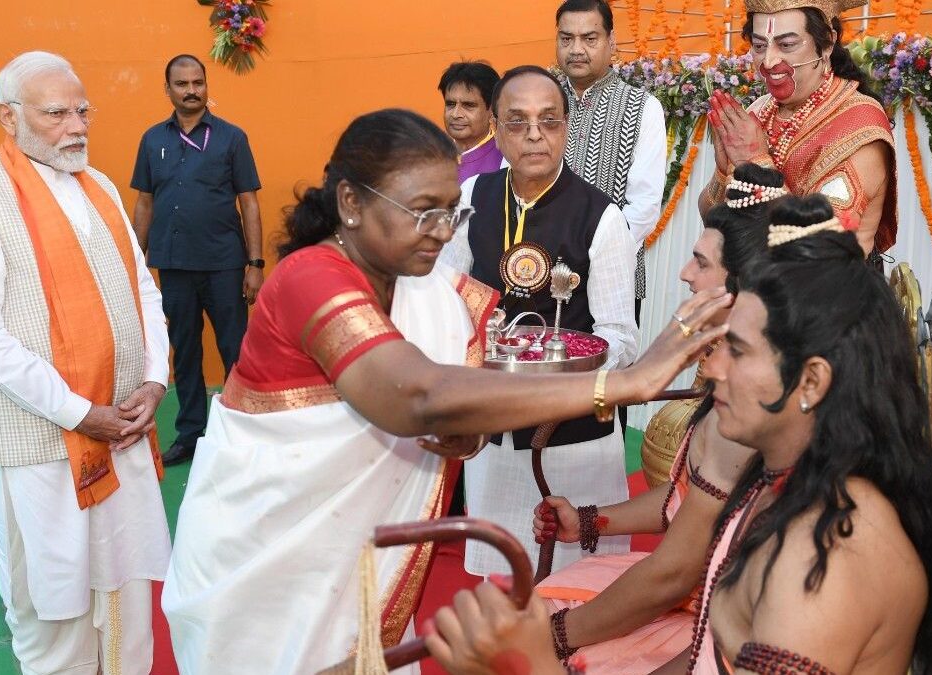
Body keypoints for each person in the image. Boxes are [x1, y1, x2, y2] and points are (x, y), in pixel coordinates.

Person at [161, 108, 730, 675]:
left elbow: (455, 406)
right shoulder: (310, 278)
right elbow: (418, 399)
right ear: (351, 203)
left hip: (361, 558)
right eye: (421, 212)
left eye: (449, 213)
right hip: (271, 553)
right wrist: (623, 384)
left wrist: (467, 431)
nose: (439, 230)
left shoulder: (430, 291)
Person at [422, 195, 932, 675]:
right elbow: (701, 657)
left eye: (735, 350)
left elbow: (680, 589)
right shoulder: (778, 490)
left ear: (811, 381)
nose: (712, 368)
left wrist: (539, 662)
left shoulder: (822, 560)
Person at [0, 51, 172, 673]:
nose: (77, 125)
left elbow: (141, 288)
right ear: (8, 118)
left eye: (82, 109)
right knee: (55, 616)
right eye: (57, 112)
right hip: (42, 448)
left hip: (120, 430)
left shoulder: (100, 187)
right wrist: (79, 412)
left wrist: (154, 378)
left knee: (128, 602)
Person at [531, 164, 783, 674]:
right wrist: (585, 520)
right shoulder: (730, 381)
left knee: (531, 634)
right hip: (689, 595)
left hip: (718, 620)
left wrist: (557, 638)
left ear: (740, 286)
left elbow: (675, 574)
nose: (685, 273)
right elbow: (679, 503)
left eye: (700, 262)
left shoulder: (744, 413)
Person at [439, 65, 639, 577]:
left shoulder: (601, 216)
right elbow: (442, 294)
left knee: (574, 590)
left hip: (573, 438)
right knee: (498, 579)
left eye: (549, 121)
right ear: (497, 129)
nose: (534, 135)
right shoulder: (472, 197)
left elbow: (621, 338)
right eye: (518, 121)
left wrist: (554, 363)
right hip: (496, 432)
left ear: (567, 126)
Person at [130, 53, 263, 466]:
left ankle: (244, 432)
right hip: (174, 267)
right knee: (183, 353)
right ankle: (190, 435)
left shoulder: (232, 138)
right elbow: (145, 202)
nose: (192, 90)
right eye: (182, 84)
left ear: (207, 85)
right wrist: (135, 262)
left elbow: (249, 202)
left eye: (198, 82)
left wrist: (255, 265)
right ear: (167, 89)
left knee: (235, 351)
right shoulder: (153, 140)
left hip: (224, 263)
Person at [698, 0, 896, 265]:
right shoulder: (761, 109)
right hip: (757, 290)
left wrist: (756, 164)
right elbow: (713, 220)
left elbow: (824, 248)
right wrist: (724, 172)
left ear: (827, 43)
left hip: (830, 299)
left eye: (787, 44)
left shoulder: (859, 121)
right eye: (759, 46)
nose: (768, 61)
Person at [555, 0, 667, 324]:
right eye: (566, 38)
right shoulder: (541, 102)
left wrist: (594, 255)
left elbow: (644, 206)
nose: (576, 49)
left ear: (611, 41)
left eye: (589, 39)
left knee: (605, 373)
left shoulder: (642, 107)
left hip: (612, 281)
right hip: (540, 271)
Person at [439, 61, 504, 182]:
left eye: (468, 105)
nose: (455, 114)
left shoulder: (507, 161)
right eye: (450, 104)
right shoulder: (429, 156)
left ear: (491, 109)